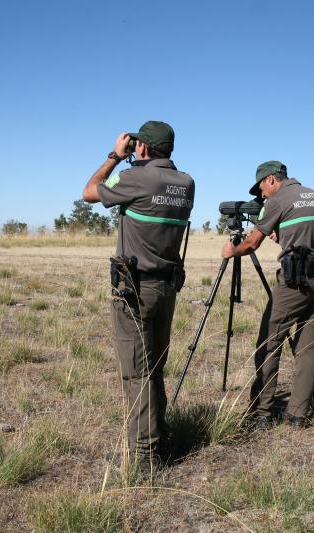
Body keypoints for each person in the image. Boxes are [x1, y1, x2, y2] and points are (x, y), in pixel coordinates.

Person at [82, 120, 194, 467]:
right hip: (166, 288)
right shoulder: (186, 183)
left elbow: (90, 191)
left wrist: (115, 156)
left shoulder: (135, 178)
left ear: (142, 147)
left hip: (135, 290)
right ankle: (161, 436)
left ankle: (146, 457)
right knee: (155, 367)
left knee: (137, 372)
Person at [220, 160, 314, 429]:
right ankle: (298, 415)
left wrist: (231, 251)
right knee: (307, 345)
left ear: (271, 180)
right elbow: (313, 239)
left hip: (294, 283)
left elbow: (251, 244)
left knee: (268, 343)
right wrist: (284, 238)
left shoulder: (279, 200)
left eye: (261, 188)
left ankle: (261, 412)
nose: (261, 196)